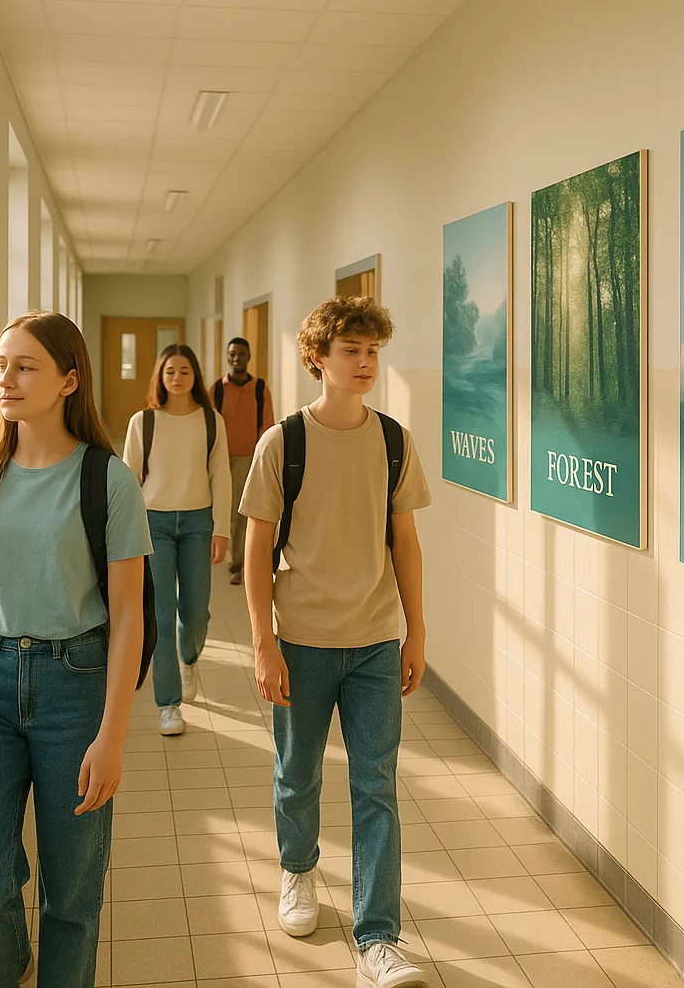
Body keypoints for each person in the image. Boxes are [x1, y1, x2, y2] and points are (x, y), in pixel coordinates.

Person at [0, 312, 152, 988]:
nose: (6, 378)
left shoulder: (108, 480)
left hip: (74, 685)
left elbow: (129, 614)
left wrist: (112, 735)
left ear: (68, 381)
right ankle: (11, 964)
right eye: (1, 363)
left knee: (71, 896)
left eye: (25, 366)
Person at [241, 296, 431, 988]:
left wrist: (416, 633)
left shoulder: (393, 440)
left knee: (375, 785)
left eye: (374, 351)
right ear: (317, 357)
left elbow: (405, 544)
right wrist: (264, 643)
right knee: (298, 774)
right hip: (304, 643)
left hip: (377, 642)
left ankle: (378, 937)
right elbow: (257, 549)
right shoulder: (282, 443)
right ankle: (298, 872)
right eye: (351, 351)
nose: (366, 364)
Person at [123, 344, 231, 735]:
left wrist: (222, 529)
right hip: (155, 525)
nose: (177, 377)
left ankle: (190, 659)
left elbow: (221, 476)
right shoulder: (144, 421)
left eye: (184, 370)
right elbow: (128, 480)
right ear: (160, 376)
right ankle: (168, 704)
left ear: (194, 376)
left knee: (196, 612)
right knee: (162, 615)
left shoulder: (211, 420)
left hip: (199, 523)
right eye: (170, 371)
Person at [209, 337, 274, 585]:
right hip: (222, 458)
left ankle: (245, 564)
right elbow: (209, 425)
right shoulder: (216, 389)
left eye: (241, 354)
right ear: (227, 357)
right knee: (231, 511)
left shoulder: (260, 388)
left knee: (248, 511)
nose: (236, 359)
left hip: (250, 458)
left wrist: (262, 460)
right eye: (232, 354)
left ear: (249, 357)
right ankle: (236, 560)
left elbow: (267, 424)